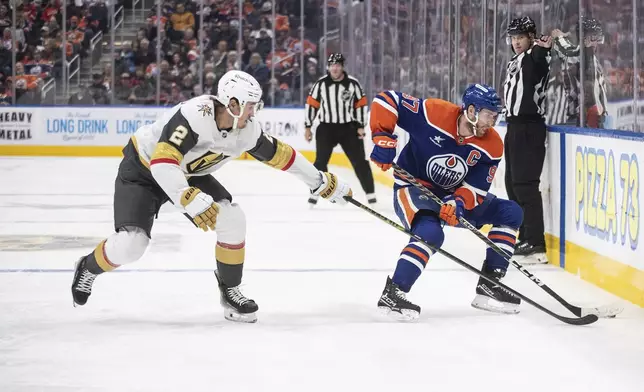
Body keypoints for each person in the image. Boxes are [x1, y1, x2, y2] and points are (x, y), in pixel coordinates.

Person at [70, 70, 353, 323]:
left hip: (188, 175)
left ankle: (230, 289)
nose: (254, 112)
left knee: (233, 219)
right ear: (232, 104)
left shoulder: (247, 129)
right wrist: (186, 197)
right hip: (144, 170)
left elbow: (281, 155)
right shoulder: (195, 115)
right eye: (250, 106)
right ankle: (88, 266)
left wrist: (318, 181)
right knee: (133, 245)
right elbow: (163, 160)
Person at [368, 84, 524, 320]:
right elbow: (387, 100)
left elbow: (476, 188)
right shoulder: (434, 113)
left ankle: (490, 284)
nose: (491, 123)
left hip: (452, 197)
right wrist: (383, 138)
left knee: (511, 212)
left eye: (495, 116)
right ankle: (394, 292)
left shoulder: (492, 145)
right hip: (414, 188)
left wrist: (458, 202)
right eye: (488, 115)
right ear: (471, 110)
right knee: (430, 234)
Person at [502, 16, 552, 264]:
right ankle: (525, 237)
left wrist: (543, 47)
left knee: (525, 186)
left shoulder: (535, 56)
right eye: (513, 37)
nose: (516, 41)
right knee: (512, 184)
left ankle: (536, 244)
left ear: (531, 37)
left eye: (520, 36)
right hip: (513, 127)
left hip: (528, 128)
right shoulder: (517, 59)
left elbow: (539, 64)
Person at [304, 53, 376, 206]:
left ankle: (371, 195)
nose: (334, 68)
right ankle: (315, 193)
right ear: (328, 67)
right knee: (320, 163)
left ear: (342, 67)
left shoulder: (353, 84)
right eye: (332, 65)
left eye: (337, 65)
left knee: (360, 162)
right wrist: (308, 126)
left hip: (348, 128)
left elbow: (361, 105)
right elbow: (312, 105)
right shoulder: (321, 84)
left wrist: (361, 126)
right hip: (326, 128)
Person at [551, 16, 607, 129]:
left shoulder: (592, 59)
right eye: (592, 37)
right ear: (583, 38)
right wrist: (559, 38)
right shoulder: (580, 57)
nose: (595, 42)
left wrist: (560, 38)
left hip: (593, 118)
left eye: (597, 38)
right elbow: (568, 52)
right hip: (583, 118)